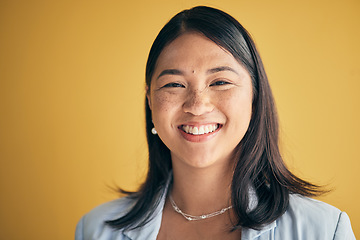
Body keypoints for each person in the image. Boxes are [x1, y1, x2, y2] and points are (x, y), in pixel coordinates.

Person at [75, 6, 355, 240]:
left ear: (255, 97)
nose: (197, 105)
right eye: (174, 84)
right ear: (150, 100)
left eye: (220, 82)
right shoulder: (95, 229)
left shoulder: (325, 229)